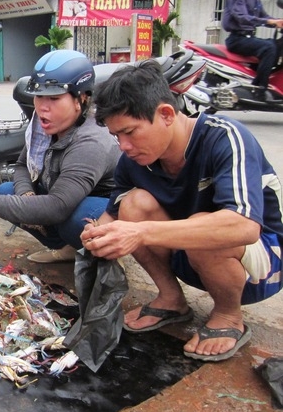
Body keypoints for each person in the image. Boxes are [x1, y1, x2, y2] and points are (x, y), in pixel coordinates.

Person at [82, 59, 283, 362]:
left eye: (130, 132)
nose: (123, 146)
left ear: (165, 114)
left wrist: (140, 232)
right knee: (133, 205)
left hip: (261, 265)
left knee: (207, 225)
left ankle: (229, 316)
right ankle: (171, 299)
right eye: (116, 136)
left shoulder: (225, 137)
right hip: (191, 258)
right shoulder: (134, 160)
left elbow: (244, 226)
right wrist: (97, 232)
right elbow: (113, 214)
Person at [0, 50, 120, 263]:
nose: (42, 107)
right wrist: (27, 195)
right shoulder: (44, 124)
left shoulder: (91, 141)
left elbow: (58, 207)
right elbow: (22, 166)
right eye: (39, 96)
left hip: (102, 208)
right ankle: (70, 248)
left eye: (54, 98)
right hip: (63, 198)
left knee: (73, 220)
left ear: (81, 98)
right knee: (6, 191)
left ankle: (103, 253)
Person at [222, 0, 283, 103]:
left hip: (248, 38)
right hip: (237, 39)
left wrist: (278, 22)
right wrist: (271, 21)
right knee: (269, 48)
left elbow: (264, 17)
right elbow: (243, 18)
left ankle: (257, 77)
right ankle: (260, 88)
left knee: (277, 46)